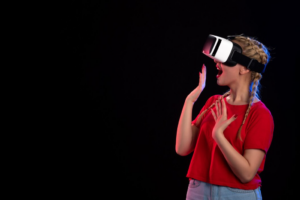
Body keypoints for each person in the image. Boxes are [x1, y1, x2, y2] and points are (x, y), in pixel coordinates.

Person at [176, 35, 274, 200]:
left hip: (237, 195)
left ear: (244, 68)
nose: (216, 62)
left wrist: (219, 136)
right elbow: (182, 148)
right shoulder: (213, 102)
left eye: (225, 58)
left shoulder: (260, 114)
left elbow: (247, 174)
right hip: (197, 191)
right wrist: (189, 101)